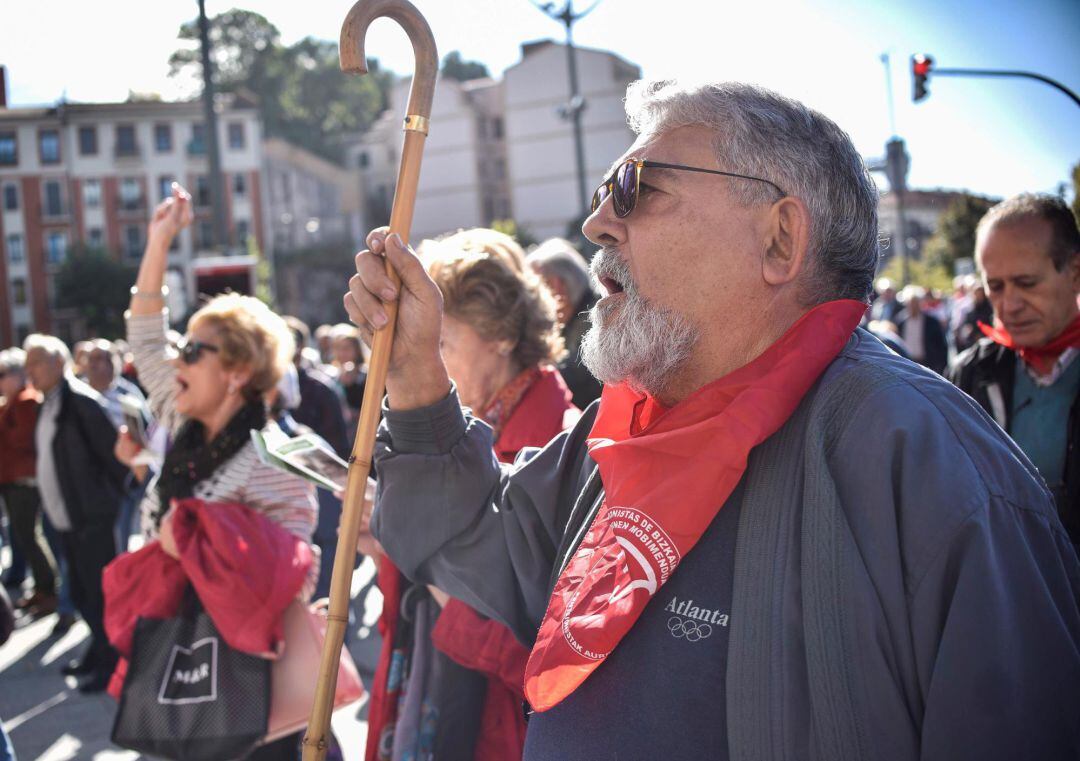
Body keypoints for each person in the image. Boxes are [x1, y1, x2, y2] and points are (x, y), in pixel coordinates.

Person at [345, 80, 1080, 760]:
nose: (598, 222)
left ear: (779, 240)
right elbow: (469, 537)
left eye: (636, 188)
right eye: (604, 193)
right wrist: (413, 369)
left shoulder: (931, 469)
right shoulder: (618, 439)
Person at [119, 183, 318, 759]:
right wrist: (159, 239)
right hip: (173, 649)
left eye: (193, 351)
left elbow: (296, 577)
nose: (175, 359)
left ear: (236, 372)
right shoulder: (180, 423)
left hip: (241, 680)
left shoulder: (272, 460)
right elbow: (145, 333)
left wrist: (198, 546)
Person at [365, 229, 579, 761]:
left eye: (439, 343)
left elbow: (558, 655)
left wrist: (436, 564)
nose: (423, 360)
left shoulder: (563, 450)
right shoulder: (460, 431)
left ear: (502, 335)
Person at [948, 193, 1080, 547]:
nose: (1009, 305)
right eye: (995, 286)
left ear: (1075, 273)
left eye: (1027, 283)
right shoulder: (971, 373)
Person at [23, 333, 128, 693]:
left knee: (98, 595)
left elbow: (116, 462)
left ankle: (110, 664)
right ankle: (97, 652)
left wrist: (103, 508)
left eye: (34, 362)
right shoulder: (47, 403)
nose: (28, 371)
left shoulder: (82, 403)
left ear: (57, 363)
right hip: (65, 519)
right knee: (82, 593)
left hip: (90, 519)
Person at [0, 348, 58, 617]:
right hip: (12, 478)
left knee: (28, 535)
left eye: (3, 375)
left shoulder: (26, 401)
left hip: (24, 479)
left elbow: (23, 441)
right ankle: (42, 588)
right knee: (22, 536)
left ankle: (49, 590)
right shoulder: (12, 402)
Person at [85, 339, 152, 551]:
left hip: (126, 479)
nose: (97, 365)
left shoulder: (129, 393)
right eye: (92, 359)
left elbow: (148, 430)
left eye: (103, 358)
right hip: (92, 482)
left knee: (122, 537)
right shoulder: (79, 395)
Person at [527, 238, 604, 409]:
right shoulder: (578, 320)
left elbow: (567, 379)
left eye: (533, 291)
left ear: (556, 286)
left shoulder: (599, 322)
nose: (529, 303)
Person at [894, 284, 949, 374]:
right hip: (906, 363)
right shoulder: (900, 321)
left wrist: (940, 367)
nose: (913, 306)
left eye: (915, 303)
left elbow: (942, 346)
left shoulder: (932, 322)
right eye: (910, 303)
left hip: (927, 364)